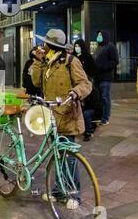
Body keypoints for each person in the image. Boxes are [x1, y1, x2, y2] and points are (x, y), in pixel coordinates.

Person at [31, 29, 92, 208]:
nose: (43, 45)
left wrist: (75, 92)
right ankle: (58, 192)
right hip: (50, 117)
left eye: (45, 43)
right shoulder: (47, 61)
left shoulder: (71, 62)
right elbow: (36, 82)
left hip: (67, 116)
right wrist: (37, 60)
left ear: (52, 44)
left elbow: (85, 84)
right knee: (57, 155)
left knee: (69, 158)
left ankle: (74, 195)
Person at [72, 39, 101, 142]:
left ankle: (88, 130)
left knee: (86, 112)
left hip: (86, 83)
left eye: (78, 46)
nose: (77, 48)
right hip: (76, 85)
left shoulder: (87, 57)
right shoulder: (73, 58)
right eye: (75, 46)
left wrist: (87, 79)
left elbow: (93, 70)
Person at [94, 30, 119, 126]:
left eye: (100, 35)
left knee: (105, 98)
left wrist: (104, 67)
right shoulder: (98, 47)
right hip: (97, 77)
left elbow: (115, 61)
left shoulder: (110, 47)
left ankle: (105, 118)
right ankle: (99, 116)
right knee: (99, 98)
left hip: (106, 78)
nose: (98, 36)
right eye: (98, 34)